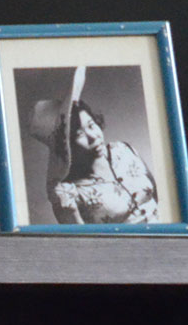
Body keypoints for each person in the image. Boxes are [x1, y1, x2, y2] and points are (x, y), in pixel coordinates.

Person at [40, 90, 158, 224]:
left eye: (91, 125)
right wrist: (70, 212)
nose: (93, 136)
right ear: (67, 146)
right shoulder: (69, 192)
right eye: (79, 134)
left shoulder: (123, 149)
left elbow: (156, 194)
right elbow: (80, 237)